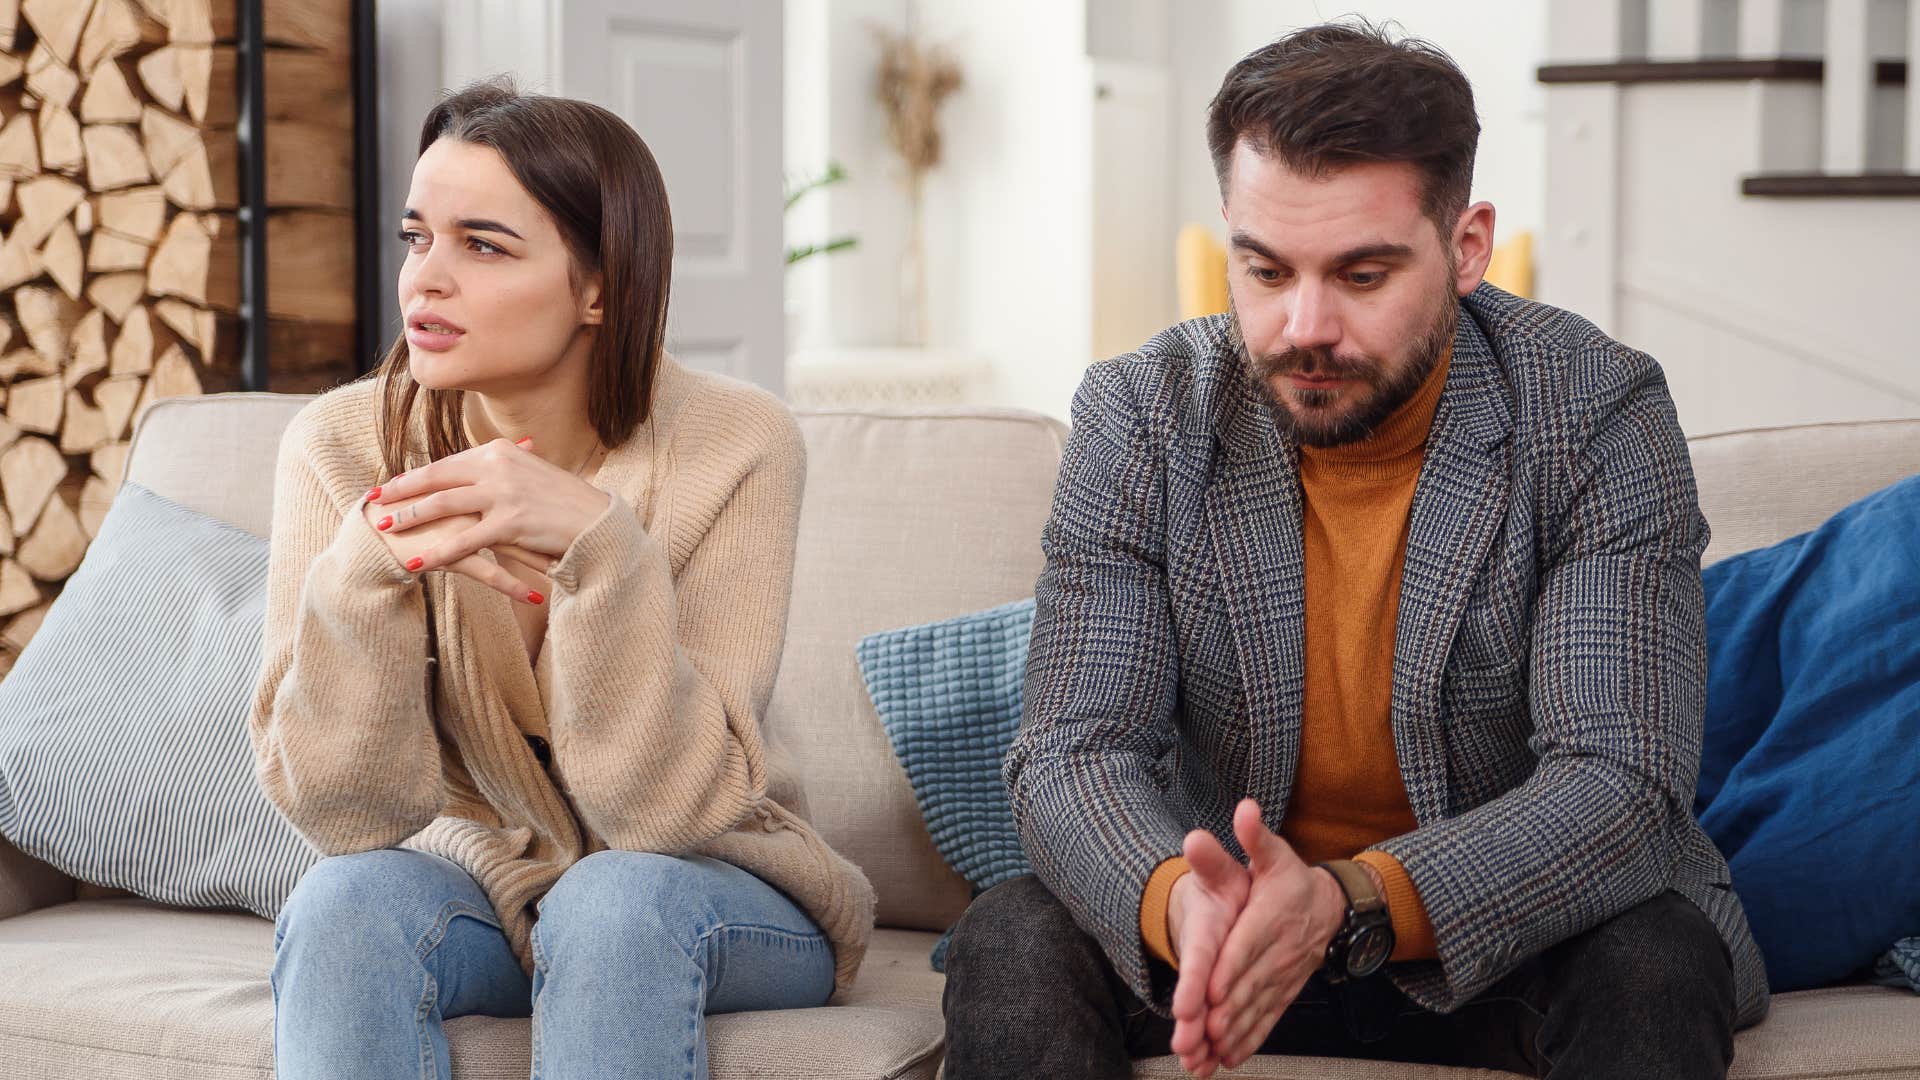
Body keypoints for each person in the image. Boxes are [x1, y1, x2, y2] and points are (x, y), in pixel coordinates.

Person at [942, 22, 1768, 1080]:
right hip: (1222, 942)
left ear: (1466, 246)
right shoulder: (1142, 413)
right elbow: (1072, 750)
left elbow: (1619, 784)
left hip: (1505, 940)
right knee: (1012, 933)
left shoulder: (1596, 414)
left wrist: (1344, 901)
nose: (1304, 326)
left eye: (1363, 275)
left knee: (1655, 958)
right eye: (1267, 270)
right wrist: (1183, 904)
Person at [249, 78, 874, 1080]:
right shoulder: (338, 444)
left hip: (715, 882)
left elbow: (661, 818)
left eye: (482, 245)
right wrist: (365, 574)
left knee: (615, 901)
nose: (426, 282)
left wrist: (608, 557)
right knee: (340, 905)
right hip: (490, 882)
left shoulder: (738, 443)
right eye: (418, 238)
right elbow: (346, 818)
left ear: (600, 285)